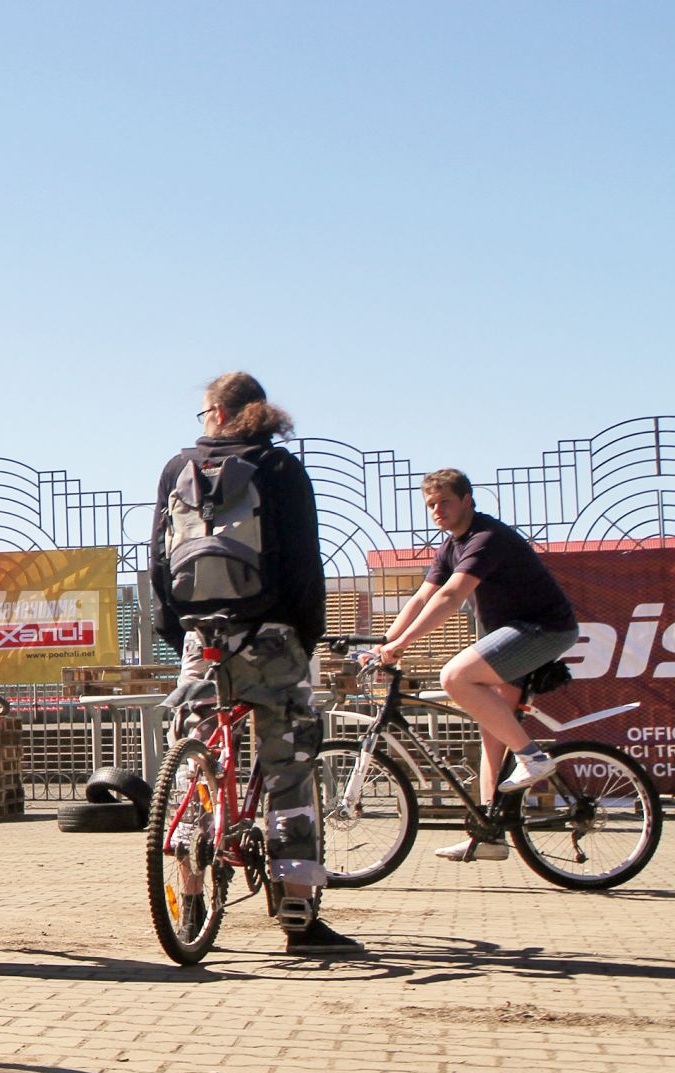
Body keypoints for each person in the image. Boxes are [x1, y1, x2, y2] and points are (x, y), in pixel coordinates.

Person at [150, 372, 358, 957]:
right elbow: (302, 562)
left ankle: (189, 901)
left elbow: (159, 559)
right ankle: (298, 912)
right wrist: (304, 636)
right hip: (272, 639)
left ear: (217, 413)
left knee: (194, 768)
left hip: (201, 641)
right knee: (289, 768)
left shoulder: (178, 468)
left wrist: (178, 632)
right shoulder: (281, 469)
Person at [369, 469, 580, 862]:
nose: (437, 510)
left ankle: (533, 759)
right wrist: (384, 642)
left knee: (455, 676)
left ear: (467, 500)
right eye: (430, 504)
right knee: (492, 733)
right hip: (513, 633)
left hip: (543, 629)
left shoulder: (487, 538)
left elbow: (451, 597)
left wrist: (403, 645)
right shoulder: (450, 547)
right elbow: (420, 597)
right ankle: (489, 834)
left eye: (445, 501)